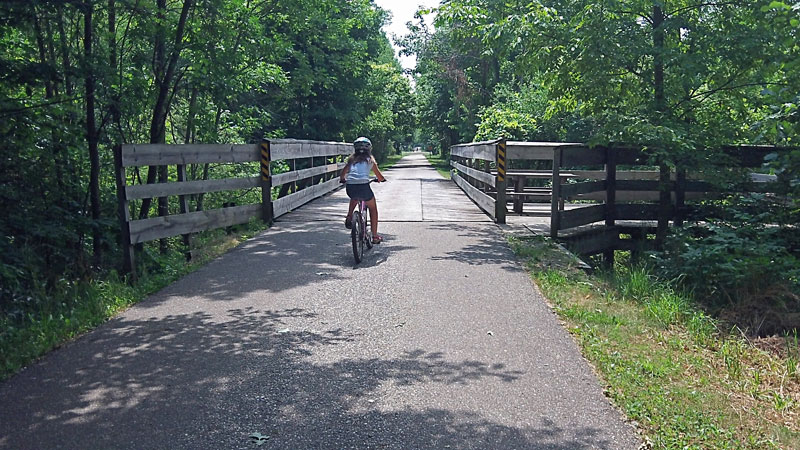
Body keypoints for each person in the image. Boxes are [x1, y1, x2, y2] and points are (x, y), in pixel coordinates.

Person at [339, 137, 386, 244]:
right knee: (373, 208)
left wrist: (342, 179)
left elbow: (343, 173)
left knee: (354, 197)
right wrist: (381, 180)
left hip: (350, 187)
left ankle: (350, 215)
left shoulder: (351, 160)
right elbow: (379, 176)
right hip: (364, 186)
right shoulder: (370, 160)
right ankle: (374, 236)